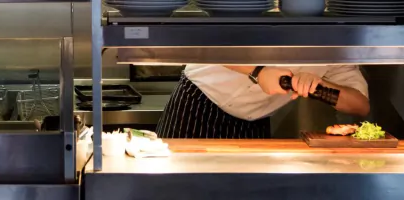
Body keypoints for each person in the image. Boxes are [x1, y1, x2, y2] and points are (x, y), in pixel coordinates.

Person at [156, 64, 370, 138]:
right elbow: (209, 43)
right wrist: (259, 71)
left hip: (251, 124)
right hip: (197, 104)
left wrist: (320, 85)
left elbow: (360, 105)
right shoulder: (271, 0)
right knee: (175, 190)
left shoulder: (338, 45)